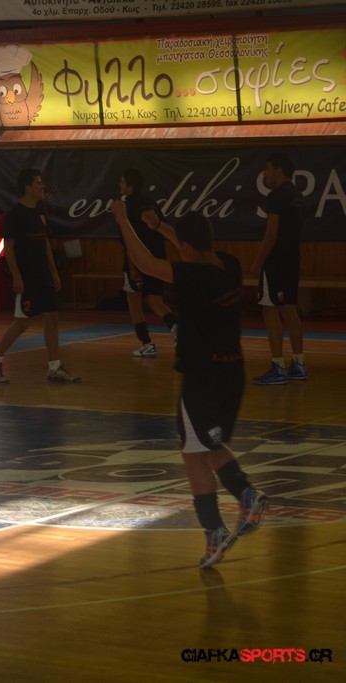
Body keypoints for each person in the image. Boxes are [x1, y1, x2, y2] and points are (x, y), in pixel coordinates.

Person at [115, 200, 267, 569]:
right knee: (207, 446)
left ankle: (229, 514)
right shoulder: (228, 265)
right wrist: (160, 227)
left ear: (184, 246)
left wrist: (122, 220)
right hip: (233, 374)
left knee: (192, 450)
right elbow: (190, 245)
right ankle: (238, 505)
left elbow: (145, 263)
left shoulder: (194, 276)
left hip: (202, 376)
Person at [0, 168, 80, 384]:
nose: (42, 186)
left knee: (52, 319)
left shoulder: (39, 211)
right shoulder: (15, 215)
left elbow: (45, 243)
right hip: (28, 278)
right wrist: (17, 277)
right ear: (27, 187)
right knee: (21, 323)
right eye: (38, 183)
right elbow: (8, 248)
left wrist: (54, 272)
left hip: (44, 275)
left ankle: (54, 367)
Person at [251, 152, 307, 385]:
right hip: (293, 259)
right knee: (290, 310)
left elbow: (271, 234)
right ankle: (299, 364)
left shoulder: (276, 196)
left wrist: (258, 261)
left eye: (267, 169)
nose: (265, 174)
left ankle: (278, 367)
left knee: (270, 310)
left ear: (278, 170)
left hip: (275, 261)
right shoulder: (297, 195)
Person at [117, 168, 179, 357]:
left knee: (133, 300)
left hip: (137, 260)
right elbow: (164, 229)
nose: (119, 185)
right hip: (157, 260)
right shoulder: (151, 203)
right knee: (155, 301)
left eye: (122, 182)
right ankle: (176, 326)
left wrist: (133, 268)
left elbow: (127, 240)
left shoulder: (125, 207)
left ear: (130, 187)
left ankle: (146, 343)